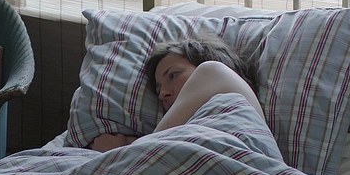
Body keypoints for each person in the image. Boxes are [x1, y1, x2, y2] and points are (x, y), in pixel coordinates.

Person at [91, 33, 264, 152]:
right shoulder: (185, 128)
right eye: (158, 89)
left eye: (173, 75)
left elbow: (148, 151)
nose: (162, 94)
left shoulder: (214, 71)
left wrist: (121, 147)